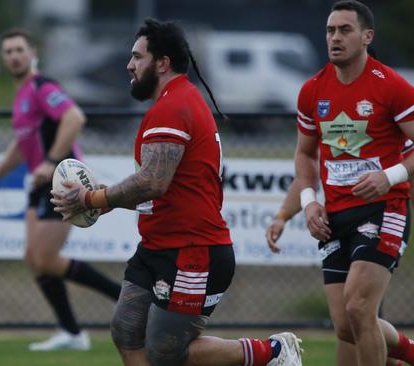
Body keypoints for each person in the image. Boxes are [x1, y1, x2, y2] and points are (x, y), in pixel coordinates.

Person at [52, 18, 302, 366]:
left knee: (166, 352)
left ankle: (273, 353)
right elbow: (160, 189)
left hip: (193, 250)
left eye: (138, 57)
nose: (129, 65)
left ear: (162, 63)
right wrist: (107, 199)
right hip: (158, 246)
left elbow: (153, 181)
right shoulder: (174, 102)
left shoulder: (173, 106)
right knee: (126, 331)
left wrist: (93, 199)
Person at [292, 1, 414, 365]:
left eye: (345, 30)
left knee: (359, 307)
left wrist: (388, 177)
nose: (335, 37)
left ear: (367, 36)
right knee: (348, 326)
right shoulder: (312, 91)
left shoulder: (391, 86)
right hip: (334, 217)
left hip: (384, 209)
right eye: (331, 30)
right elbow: (304, 155)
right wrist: (308, 202)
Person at [0, 28, 121, 351]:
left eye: (19, 49)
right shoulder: (20, 97)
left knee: (45, 258)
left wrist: (51, 160)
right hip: (38, 183)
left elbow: (74, 118)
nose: (14, 56)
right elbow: (21, 145)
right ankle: (72, 333)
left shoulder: (43, 87)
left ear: (33, 53)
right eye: (8, 51)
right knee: (34, 259)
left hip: (60, 180)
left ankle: (123, 297)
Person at [266, 139, 414, 366]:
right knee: (347, 326)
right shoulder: (324, 119)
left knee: (359, 310)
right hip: (337, 225)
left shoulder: (387, 124)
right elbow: (306, 177)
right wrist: (282, 216)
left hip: (378, 218)